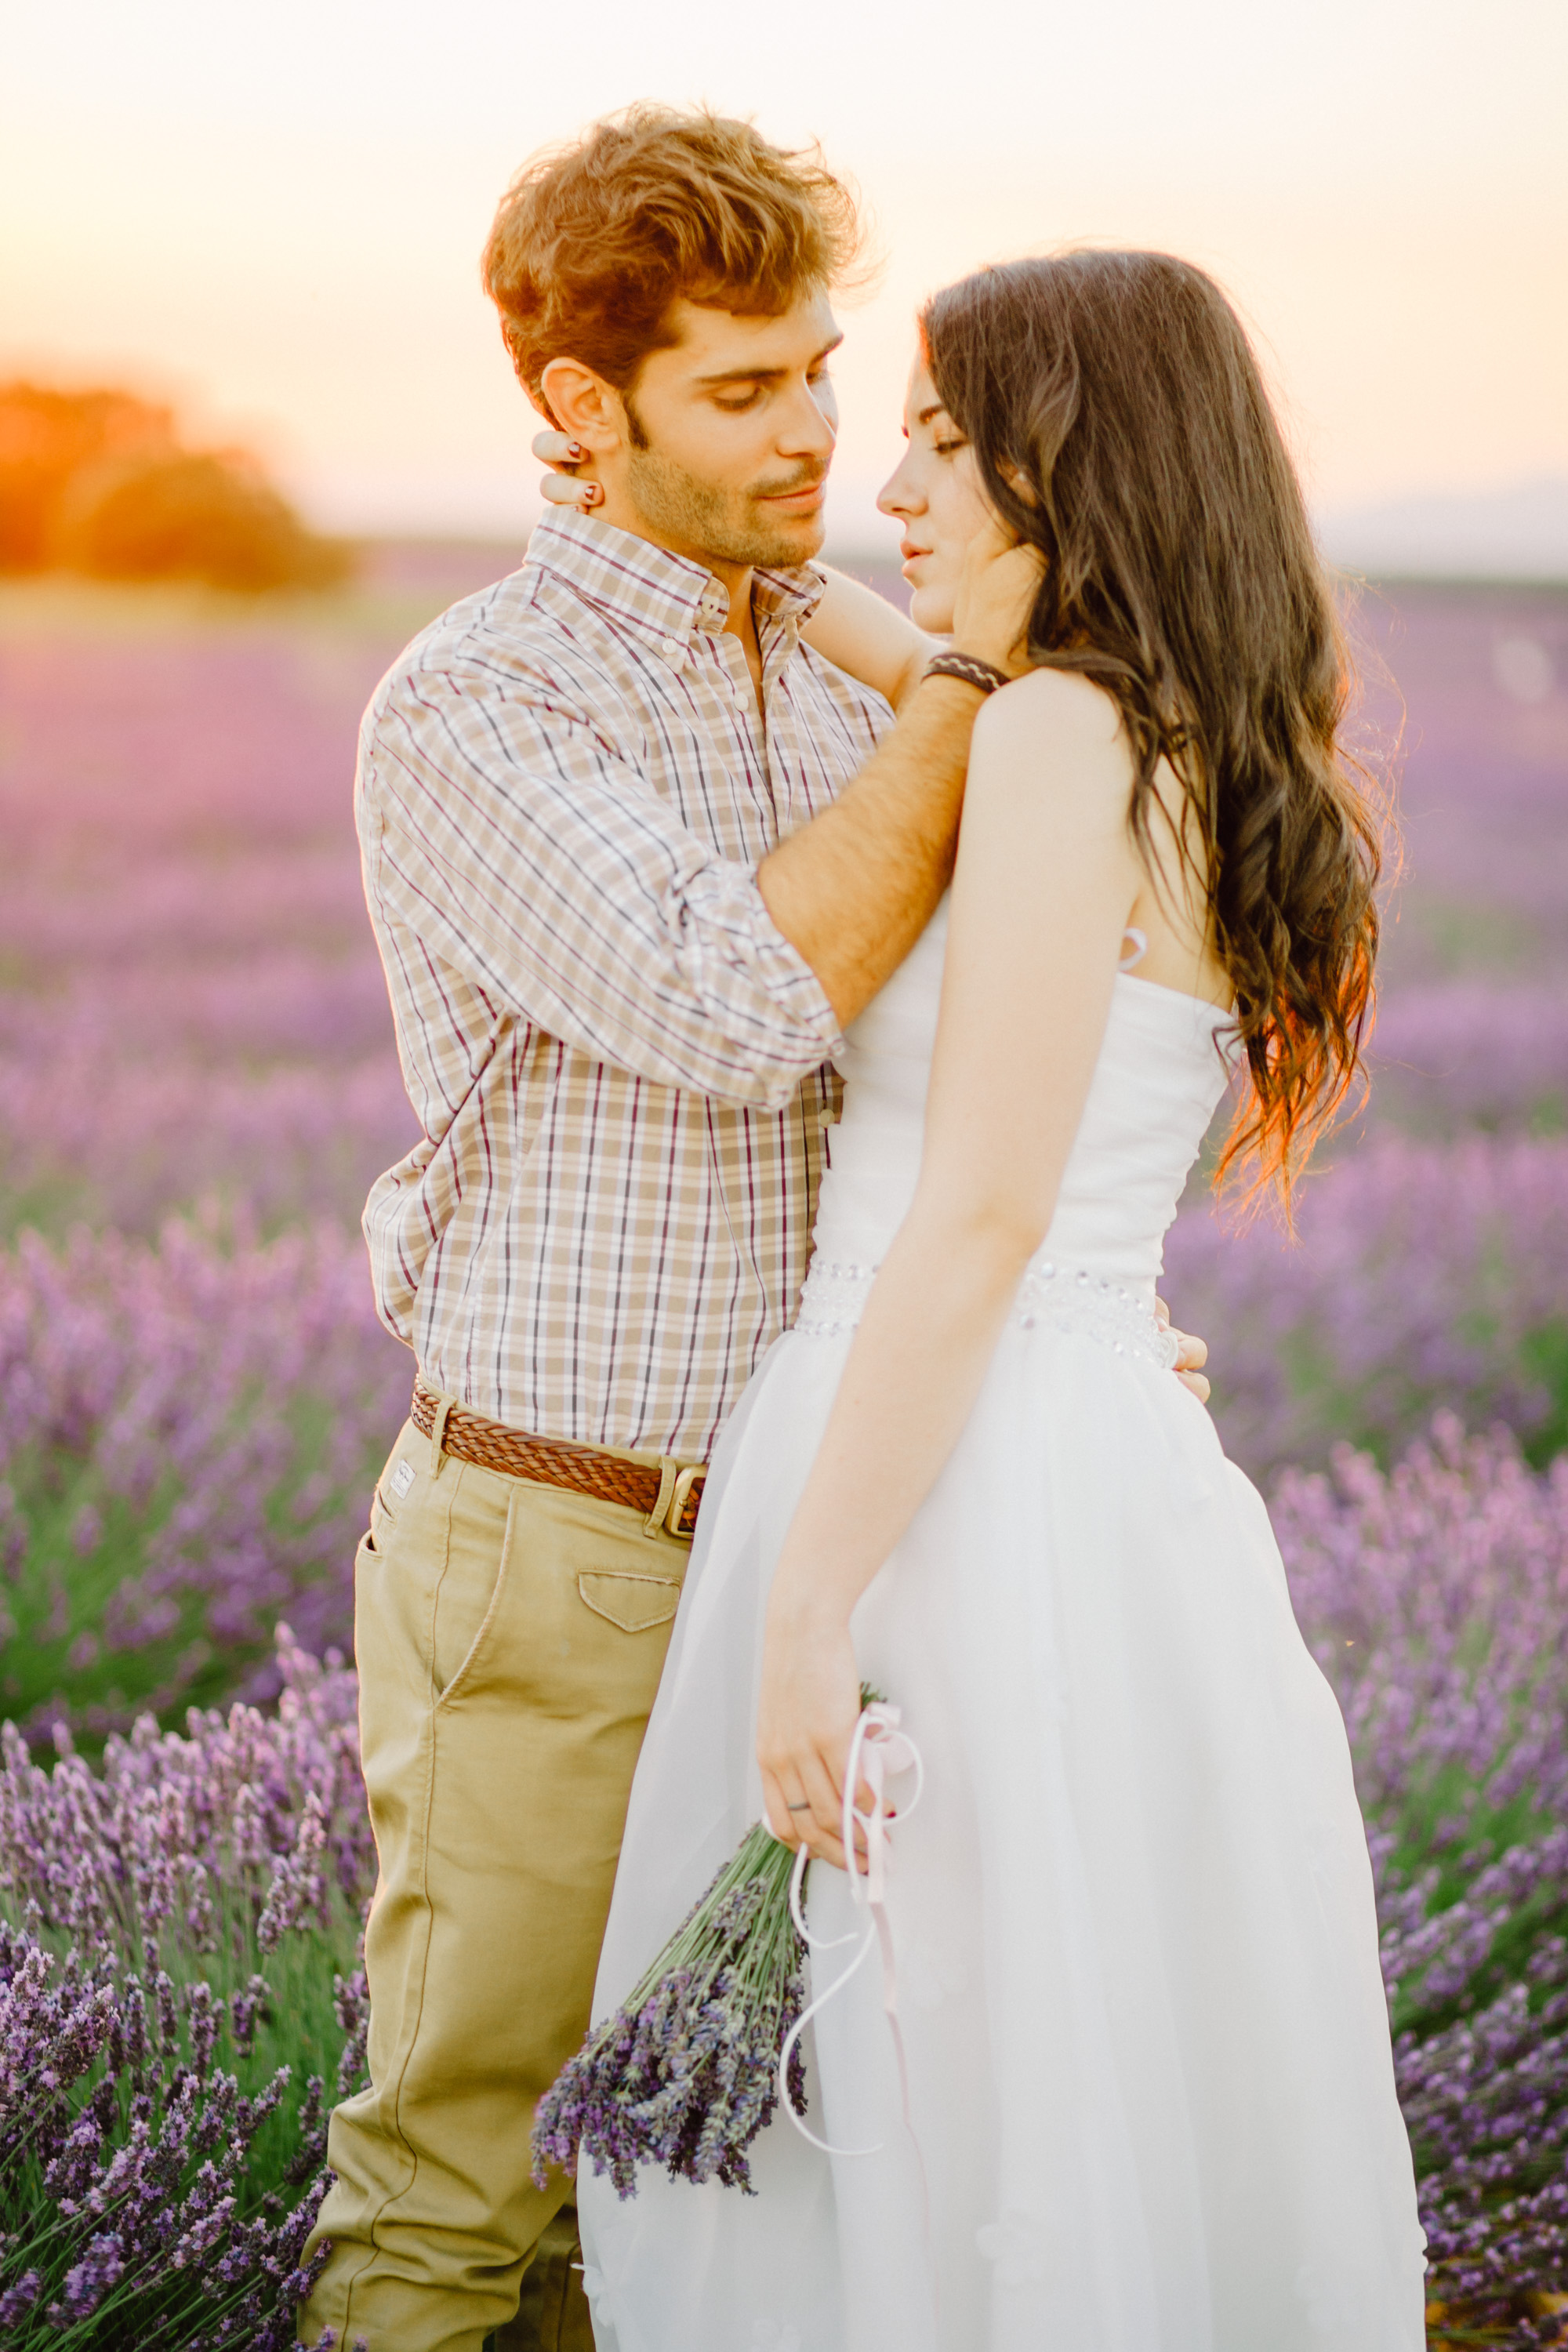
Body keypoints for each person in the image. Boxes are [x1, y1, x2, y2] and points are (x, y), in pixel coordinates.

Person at [298, 109, 1210, 2352]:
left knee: (756, 2190)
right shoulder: (485, 701)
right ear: (576, 411)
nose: (813, 432)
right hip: (576, 1549)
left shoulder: (847, 667)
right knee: (465, 2181)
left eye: (822, 370)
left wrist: (1081, 1320)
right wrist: (971, 686)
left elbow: (997, 1073)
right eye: (741, 389)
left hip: (868, 1534)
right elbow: (733, 1007)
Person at [577, 251, 1428, 2350]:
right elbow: (933, 689)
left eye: (950, 442)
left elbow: (975, 1221)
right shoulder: (1170, 737)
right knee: (1065, 2074)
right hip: (1087, 1458)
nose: (897, 482)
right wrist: (730, 564)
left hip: (941, 1477)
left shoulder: (1056, 737)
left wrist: (804, 1618)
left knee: (907, 2110)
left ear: (1082, 459)